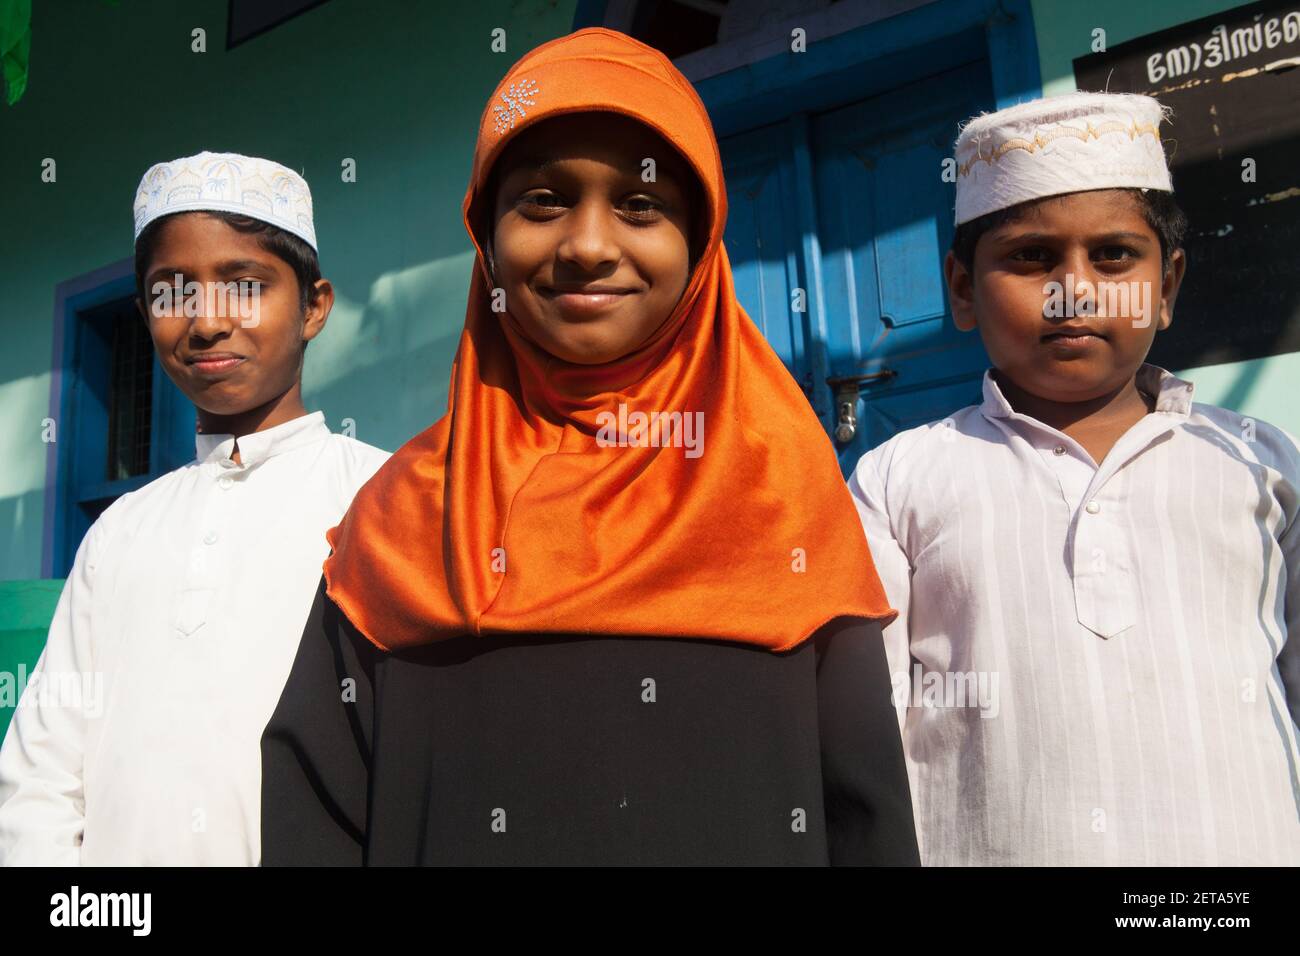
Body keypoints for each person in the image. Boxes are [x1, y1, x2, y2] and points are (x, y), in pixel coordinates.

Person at [260, 28, 919, 866]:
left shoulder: (782, 492)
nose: (589, 246)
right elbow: (313, 807)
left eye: (641, 206)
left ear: (701, 241)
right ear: (487, 240)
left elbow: (864, 815)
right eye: (542, 201)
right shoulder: (403, 512)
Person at [849, 91, 1300, 865]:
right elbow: (871, 725)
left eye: (1116, 257)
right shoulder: (899, 479)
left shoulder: (1262, 465)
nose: (1076, 290)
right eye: (1030, 257)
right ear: (962, 288)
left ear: (1166, 287)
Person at [0, 152, 390, 865]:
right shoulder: (119, 532)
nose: (205, 323)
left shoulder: (386, 497)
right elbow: (40, 777)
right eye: (170, 293)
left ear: (314, 306)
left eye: (245, 286)